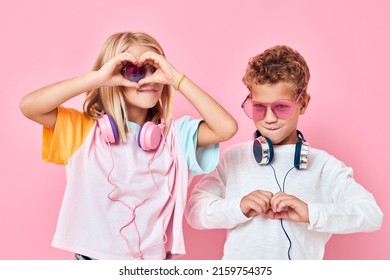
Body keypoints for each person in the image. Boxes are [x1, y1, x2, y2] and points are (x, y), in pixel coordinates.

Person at [19, 31, 238, 260]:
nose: (150, 79)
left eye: (156, 69)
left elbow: (226, 128)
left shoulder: (176, 136)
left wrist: (176, 78)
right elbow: (30, 106)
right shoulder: (84, 130)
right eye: (136, 71)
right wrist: (98, 78)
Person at [185, 45, 383, 260]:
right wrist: (238, 207)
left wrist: (311, 213)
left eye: (281, 107)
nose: (269, 118)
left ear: (303, 103)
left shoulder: (326, 166)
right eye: (259, 107)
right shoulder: (234, 158)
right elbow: (195, 211)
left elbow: (371, 215)